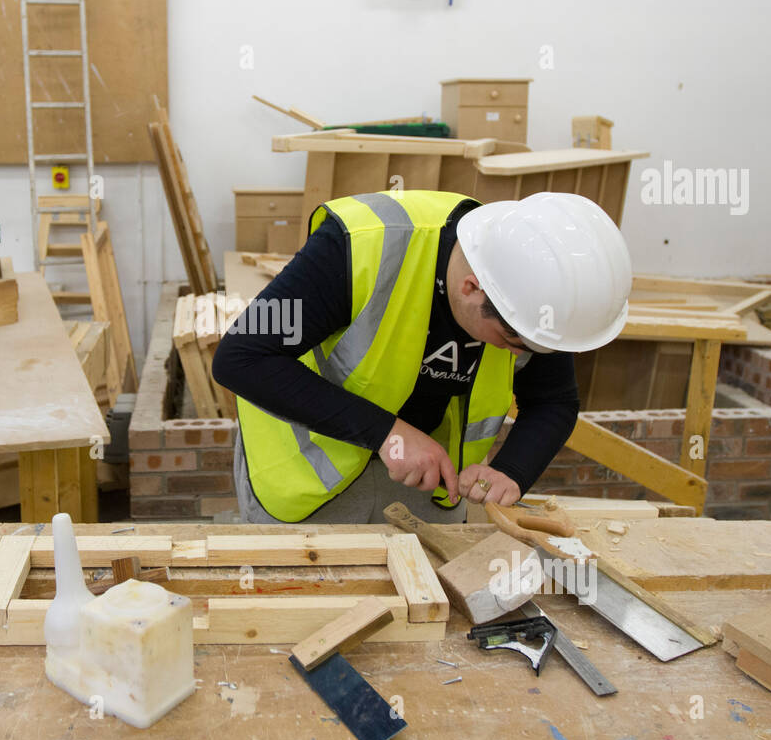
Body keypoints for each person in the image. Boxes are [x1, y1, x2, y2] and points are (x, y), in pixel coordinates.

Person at [212, 189, 632, 524]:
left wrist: (512, 470)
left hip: (427, 486)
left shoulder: (528, 283)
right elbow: (241, 356)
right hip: (306, 474)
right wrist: (387, 433)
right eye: (514, 341)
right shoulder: (358, 245)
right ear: (472, 288)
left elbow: (554, 399)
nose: (523, 353)